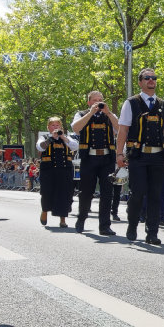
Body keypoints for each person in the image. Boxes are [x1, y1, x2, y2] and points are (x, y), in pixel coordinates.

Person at [116, 68, 164, 246]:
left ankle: (152, 232)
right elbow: (123, 129)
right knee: (138, 193)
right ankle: (132, 225)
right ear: (140, 82)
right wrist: (119, 153)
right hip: (137, 156)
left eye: (153, 78)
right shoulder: (131, 103)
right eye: (147, 78)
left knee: (156, 195)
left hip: (158, 156)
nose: (151, 80)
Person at [72, 91, 118, 235]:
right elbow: (75, 128)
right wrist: (90, 113)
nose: (98, 102)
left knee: (107, 193)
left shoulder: (109, 115)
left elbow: (120, 128)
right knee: (86, 192)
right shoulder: (82, 114)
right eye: (95, 100)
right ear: (89, 102)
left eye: (100, 100)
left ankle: (104, 226)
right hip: (89, 158)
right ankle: (81, 219)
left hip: (106, 159)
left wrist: (109, 113)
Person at [37, 118, 78, 227]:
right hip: (48, 170)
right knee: (46, 192)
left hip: (64, 170)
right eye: (53, 125)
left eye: (57, 125)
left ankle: (62, 220)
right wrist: (51, 138)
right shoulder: (44, 137)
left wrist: (63, 137)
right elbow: (40, 147)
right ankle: (45, 211)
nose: (55, 127)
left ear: (61, 127)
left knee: (64, 194)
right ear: (48, 127)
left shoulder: (67, 138)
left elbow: (75, 146)